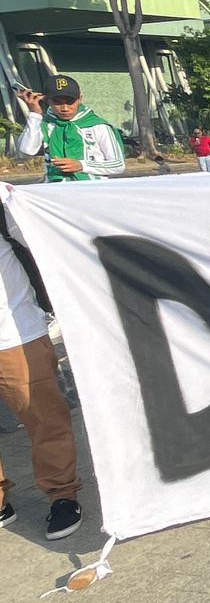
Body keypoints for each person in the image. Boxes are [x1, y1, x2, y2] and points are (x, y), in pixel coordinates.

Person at [0, 203, 85, 540]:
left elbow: (47, 240)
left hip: (15, 333)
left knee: (45, 420)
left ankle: (62, 495)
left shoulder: (4, 203)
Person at [15, 76, 126, 182]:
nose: (64, 108)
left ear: (80, 99)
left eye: (70, 102)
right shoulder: (46, 124)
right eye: (57, 102)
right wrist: (35, 114)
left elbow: (118, 165)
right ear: (47, 101)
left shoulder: (98, 126)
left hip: (92, 190)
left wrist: (81, 165)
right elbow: (27, 150)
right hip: (56, 189)